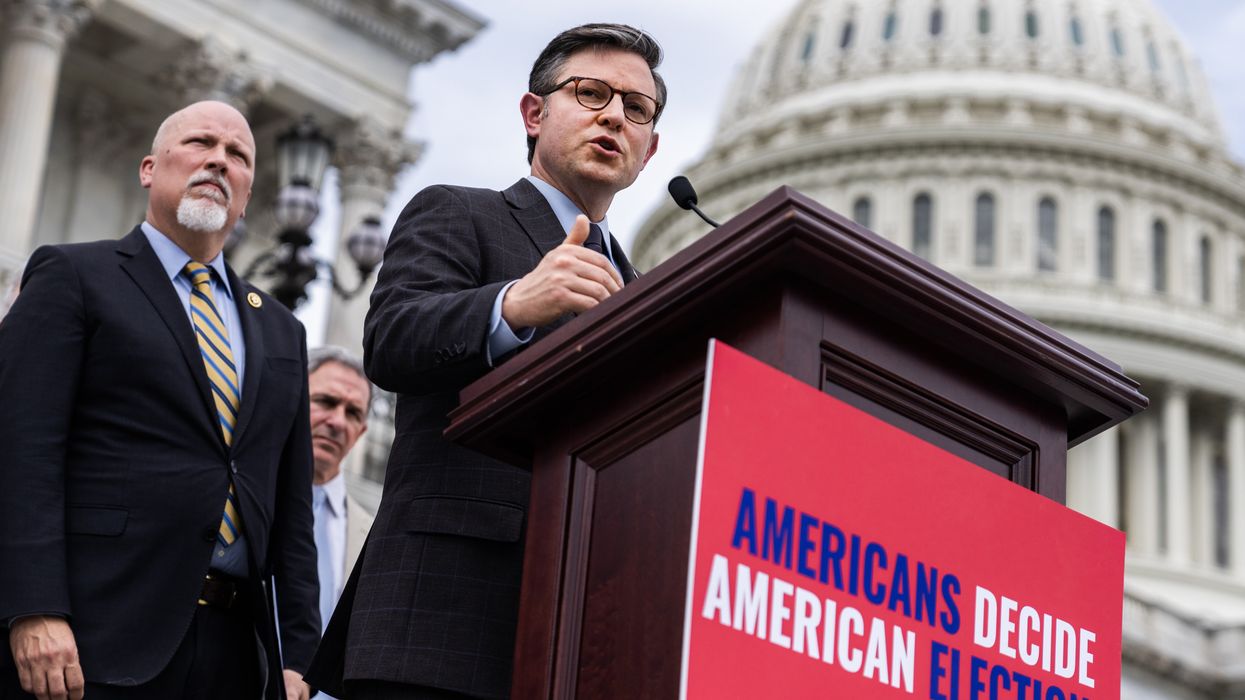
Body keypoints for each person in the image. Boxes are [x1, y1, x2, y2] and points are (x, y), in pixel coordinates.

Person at [307, 22, 664, 700]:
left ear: (648, 152)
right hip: (442, 625)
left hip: (586, 639)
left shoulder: (649, 294)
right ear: (534, 114)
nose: (615, 116)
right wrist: (512, 305)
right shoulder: (458, 214)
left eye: (636, 108)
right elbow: (391, 341)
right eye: (591, 93)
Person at [0, 101, 319, 700]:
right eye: (201, 143)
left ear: (247, 197)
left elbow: (291, 508)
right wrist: (31, 607)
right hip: (91, 638)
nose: (219, 161)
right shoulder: (75, 275)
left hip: (232, 655)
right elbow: (20, 451)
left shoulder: (282, 330)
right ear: (149, 169)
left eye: (238, 155)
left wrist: (300, 656)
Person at [305, 348, 374, 662]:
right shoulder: (242, 502)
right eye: (326, 401)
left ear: (361, 433)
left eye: (353, 413)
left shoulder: (373, 535)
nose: (337, 421)